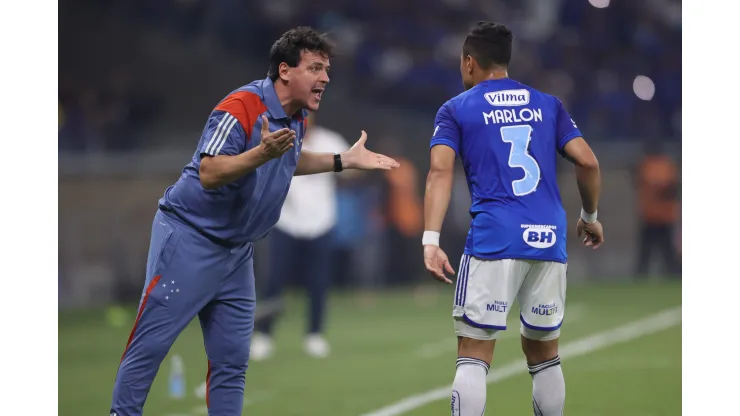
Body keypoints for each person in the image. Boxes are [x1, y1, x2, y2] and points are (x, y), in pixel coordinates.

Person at [109, 26, 399, 416]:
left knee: (231, 363)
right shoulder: (241, 106)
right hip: (190, 240)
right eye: (315, 68)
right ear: (285, 70)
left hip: (236, 252)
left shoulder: (297, 117)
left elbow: (286, 158)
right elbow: (210, 171)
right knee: (149, 348)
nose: (325, 78)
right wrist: (259, 155)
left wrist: (341, 160)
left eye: (326, 69)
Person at [421, 22, 603, 416]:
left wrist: (430, 239)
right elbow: (588, 161)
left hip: (496, 237)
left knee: (474, 350)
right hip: (548, 237)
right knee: (544, 354)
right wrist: (589, 215)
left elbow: (439, 172)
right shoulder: (548, 104)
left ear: (469, 62)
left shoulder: (456, 109)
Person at [250, 113, 350, 361]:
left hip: (321, 221)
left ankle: (314, 334)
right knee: (274, 280)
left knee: (318, 282)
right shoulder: (280, 141)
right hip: (286, 221)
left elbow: (351, 168)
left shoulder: (330, 141)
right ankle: (264, 335)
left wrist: (348, 166)